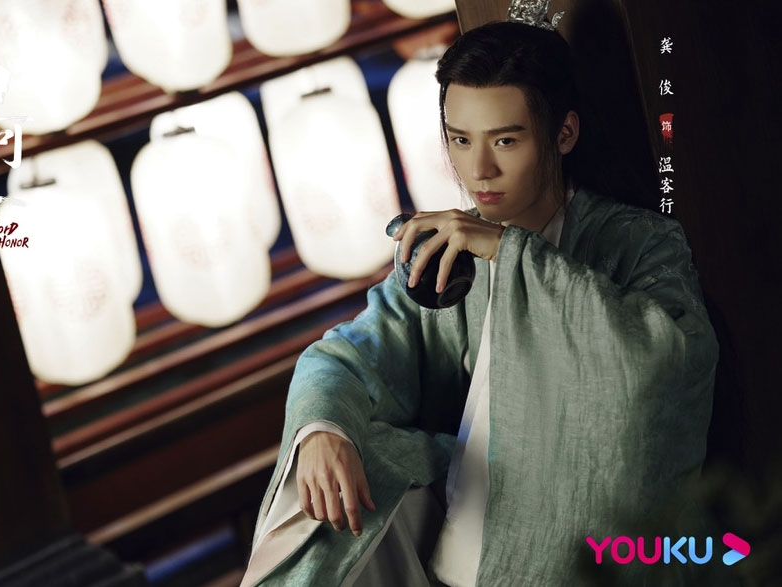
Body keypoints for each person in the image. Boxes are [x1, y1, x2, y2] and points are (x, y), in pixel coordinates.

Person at [241, 14, 719, 587]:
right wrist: (323, 429)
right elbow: (349, 354)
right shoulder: (449, 249)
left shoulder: (639, 242)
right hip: (452, 549)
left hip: (570, 558)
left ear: (564, 134)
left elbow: (664, 362)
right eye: (460, 140)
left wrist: (507, 251)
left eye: (506, 141)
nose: (478, 170)